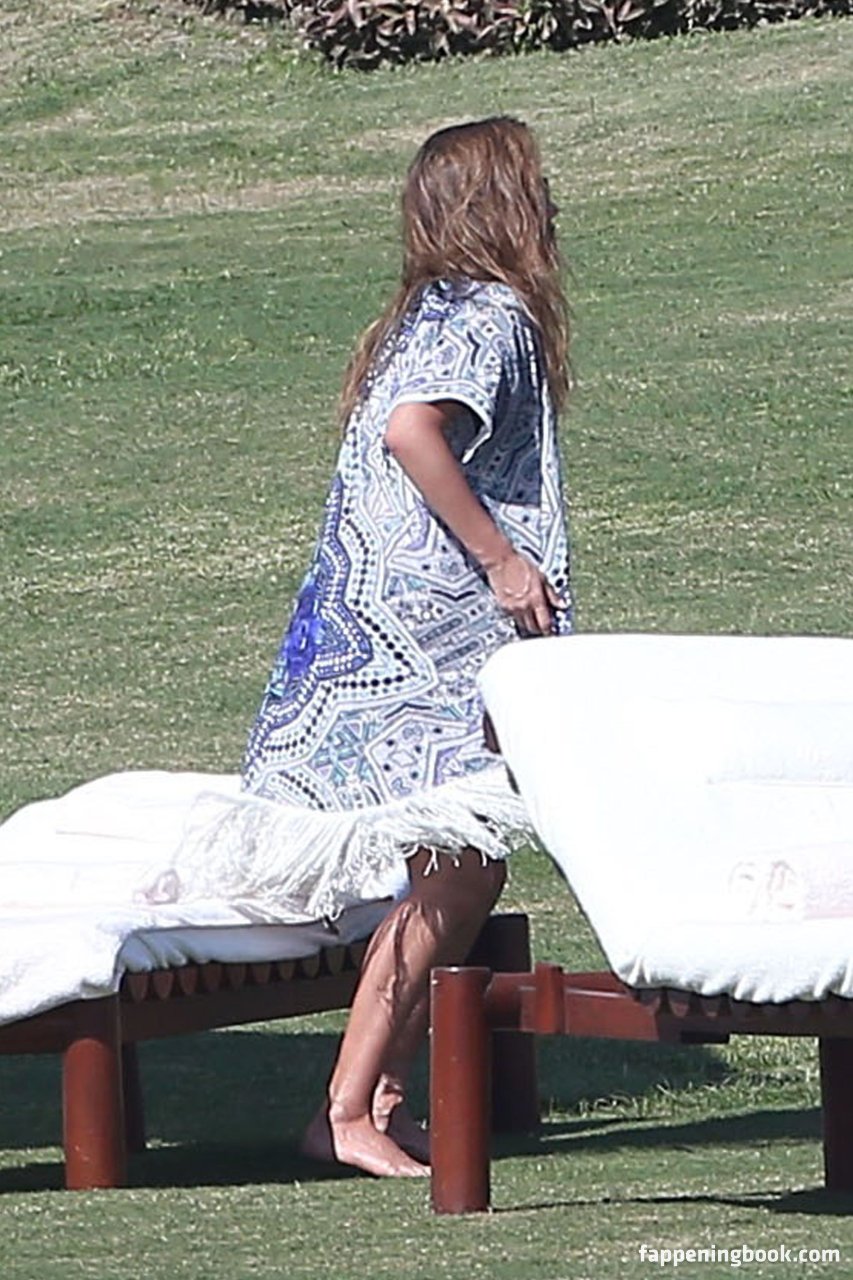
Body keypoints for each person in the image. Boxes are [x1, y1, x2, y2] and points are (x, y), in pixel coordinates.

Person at [241, 116, 573, 1177]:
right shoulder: (489, 315)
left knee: (457, 865)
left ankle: (377, 1094)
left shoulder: (425, 314)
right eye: (535, 184)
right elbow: (411, 432)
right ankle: (344, 1109)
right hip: (429, 634)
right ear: (501, 203)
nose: (551, 202)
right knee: (462, 867)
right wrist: (503, 563)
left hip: (373, 620)